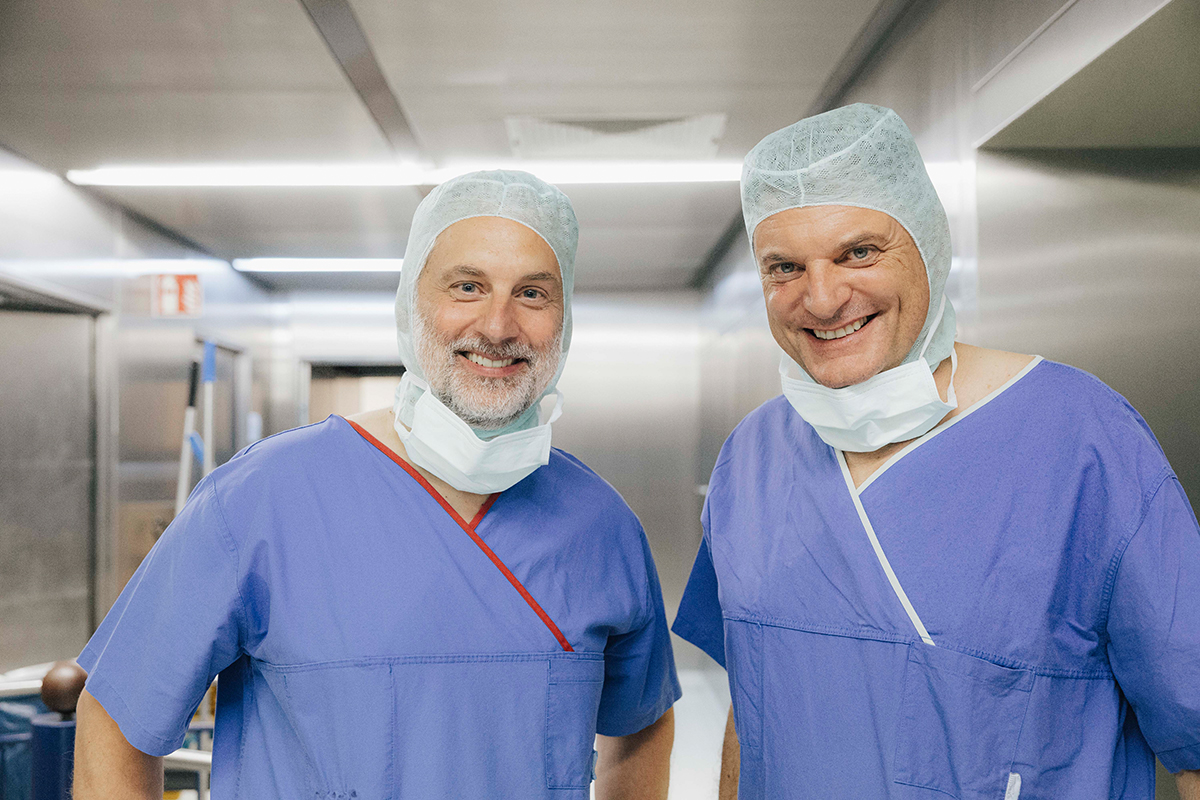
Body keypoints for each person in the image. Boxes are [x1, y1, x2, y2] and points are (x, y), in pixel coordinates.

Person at [73, 170, 680, 799]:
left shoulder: (601, 526)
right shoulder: (258, 501)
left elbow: (641, 725)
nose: (498, 326)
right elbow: (115, 721)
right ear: (411, 301)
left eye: (532, 293)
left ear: (565, 317)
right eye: (467, 286)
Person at [672, 104, 1200, 800]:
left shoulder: (1081, 437)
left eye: (858, 252)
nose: (823, 297)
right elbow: (760, 701)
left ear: (928, 246)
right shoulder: (753, 459)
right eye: (785, 266)